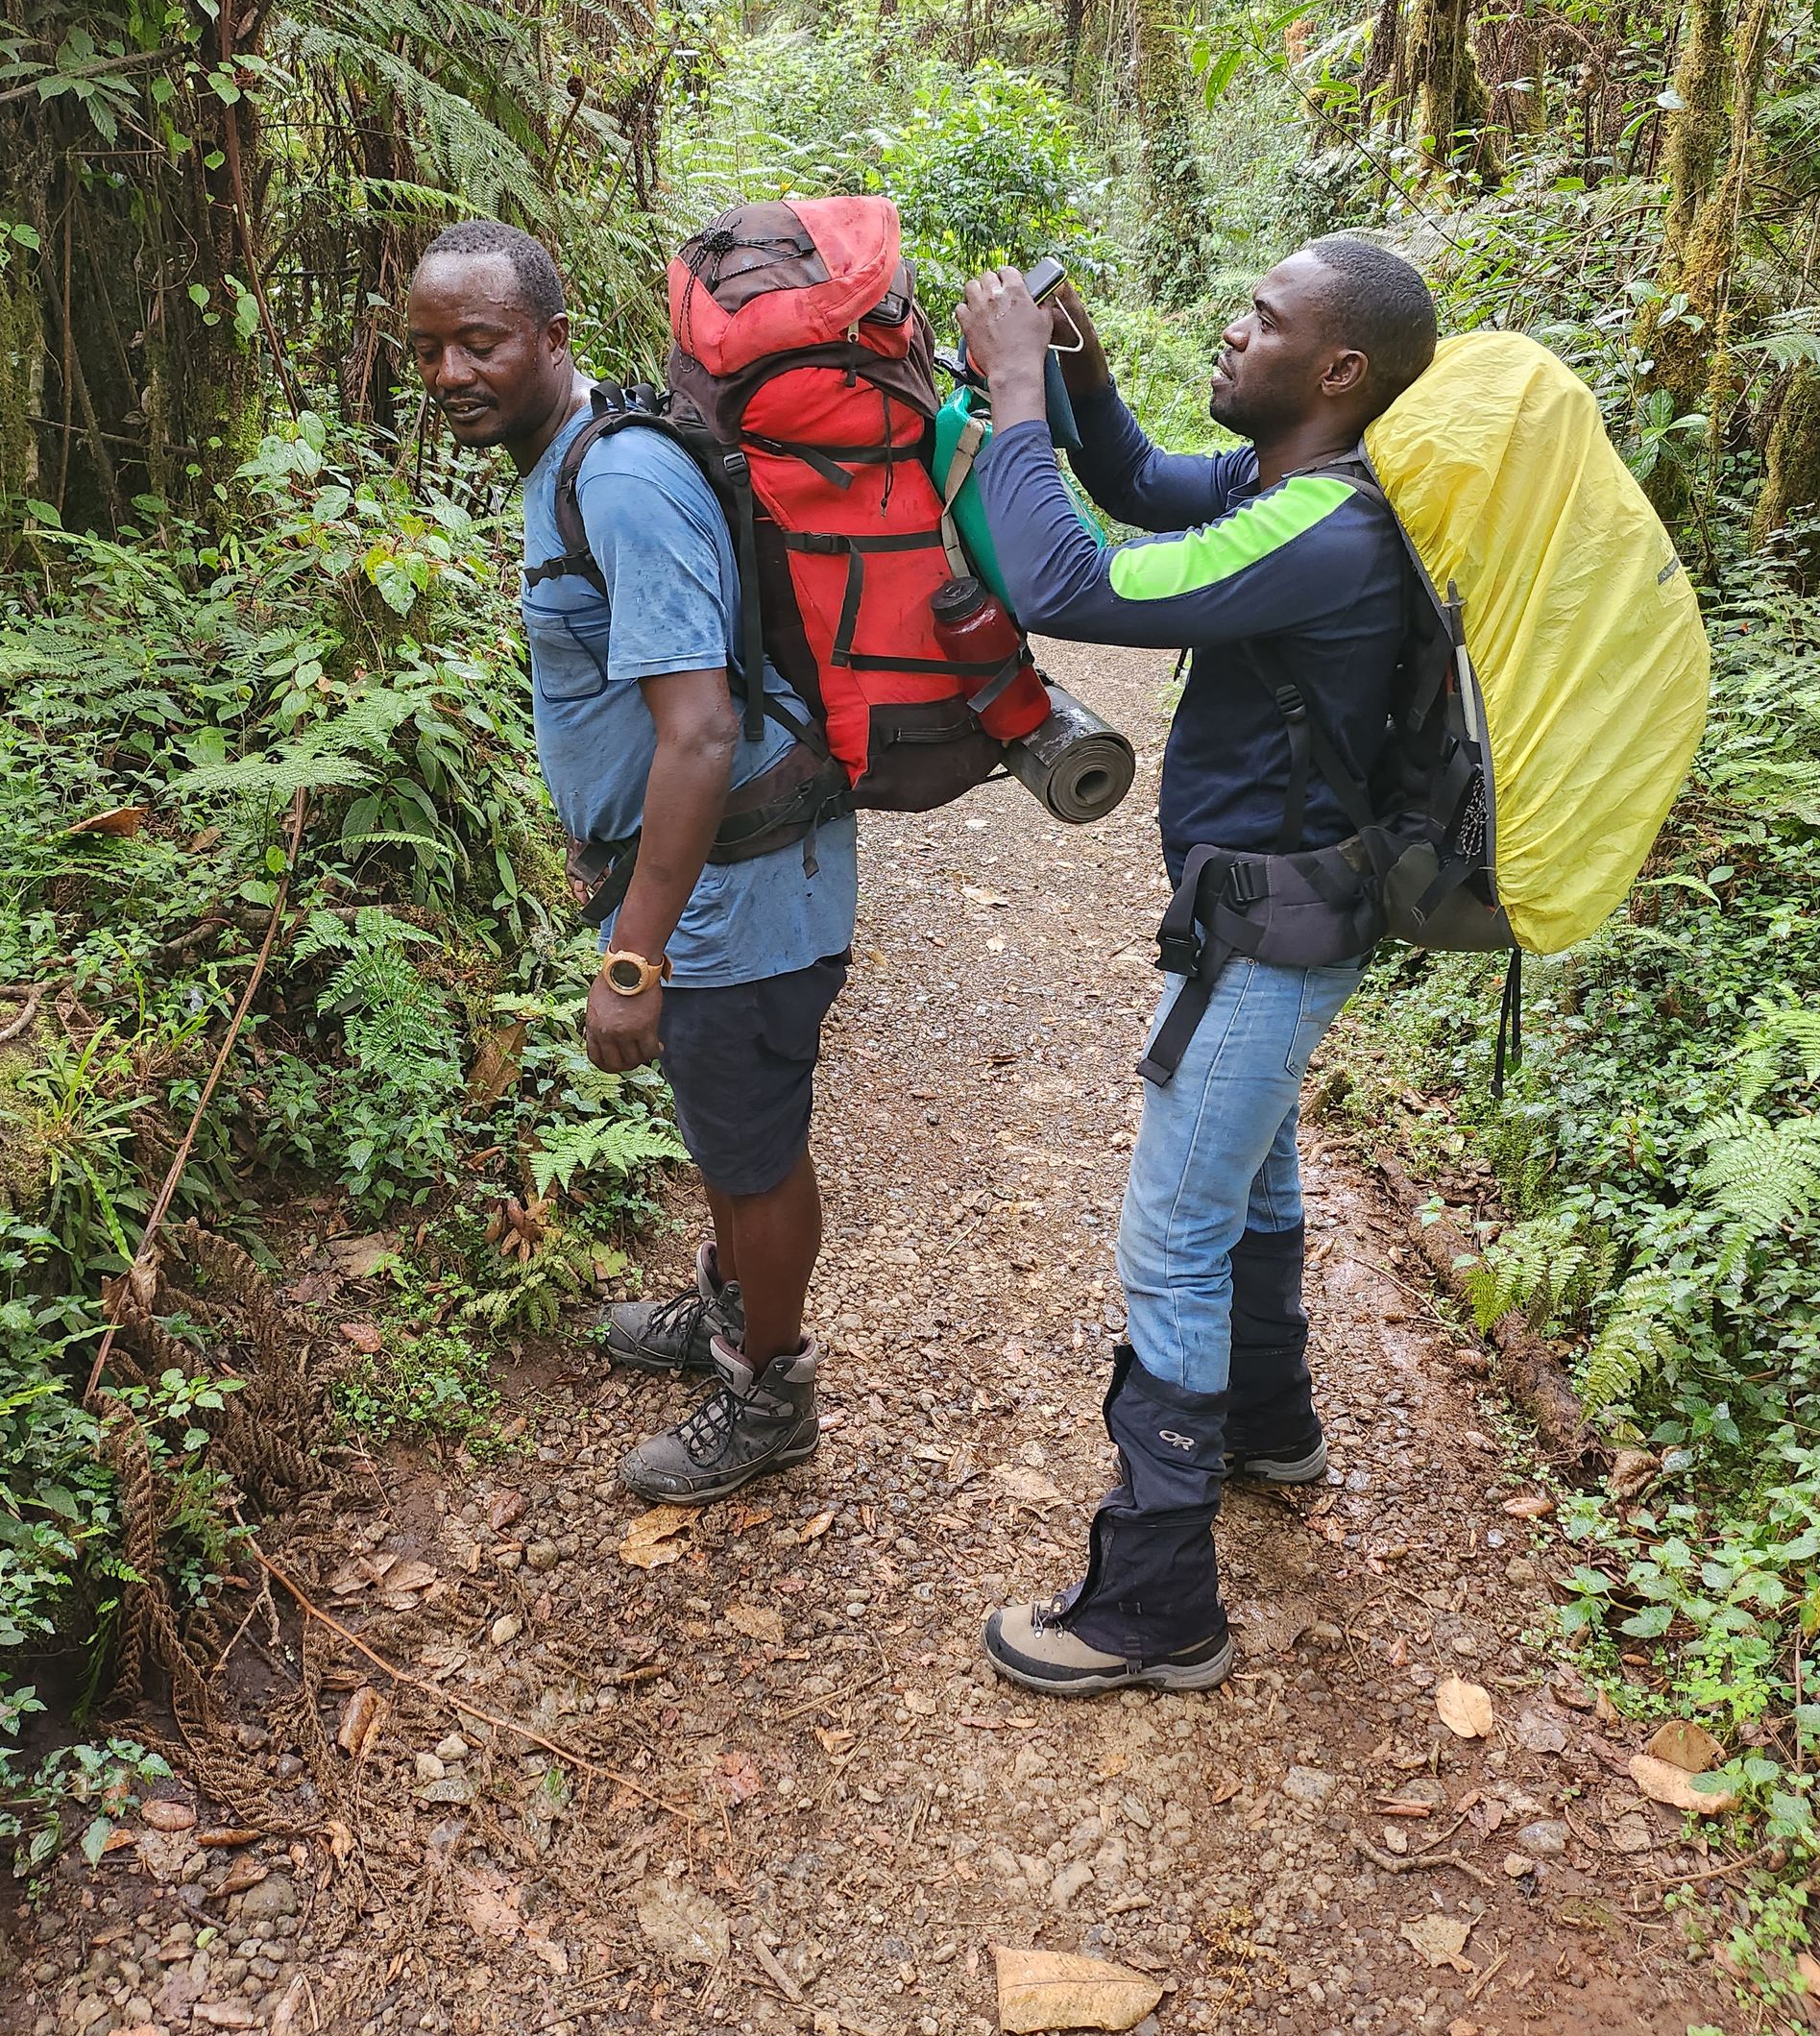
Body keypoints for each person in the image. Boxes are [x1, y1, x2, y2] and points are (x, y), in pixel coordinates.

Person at [954, 237, 1437, 1696]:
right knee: (1259, 1173)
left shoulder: (1326, 535)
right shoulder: (1296, 489)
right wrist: (1086, 383)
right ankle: (1267, 1428)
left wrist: (1017, 394)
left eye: (1261, 321)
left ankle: (1156, 1606)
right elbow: (1151, 491)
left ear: (1338, 371)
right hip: (1291, 916)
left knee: (1171, 1238)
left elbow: (1063, 576)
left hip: (1265, 934)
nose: (1233, 333)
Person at [407, 219, 857, 1504]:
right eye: (430, 349)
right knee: (726, 1128)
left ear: (554, 338)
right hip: (714, 873)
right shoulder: (570, 457)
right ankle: (728, 1307)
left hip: (747, 878)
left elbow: (701, 728)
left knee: (751, 1144)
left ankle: (770, 1395)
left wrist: (632, 955)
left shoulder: (616, 482)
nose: (451, 373)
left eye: (480, 343)